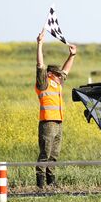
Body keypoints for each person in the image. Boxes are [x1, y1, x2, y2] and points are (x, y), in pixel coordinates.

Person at [35, 28, 77, 188]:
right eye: (58, 74)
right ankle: (40, 183)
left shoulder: (57, 82)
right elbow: (40, 65)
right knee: (45, 153)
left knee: (54, 154)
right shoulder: (43, 82)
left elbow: (66, 70)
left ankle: (51, 182)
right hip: (48, 122)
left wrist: (72, 55)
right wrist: (39, 44)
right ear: (51, 73)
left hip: (58, 122)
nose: (62, 75)